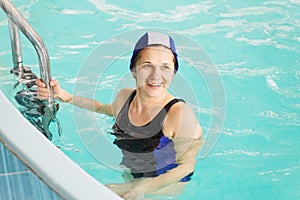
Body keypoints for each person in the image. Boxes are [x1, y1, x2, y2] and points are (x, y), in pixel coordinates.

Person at [37, 32, 203, 199]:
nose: (156, 75)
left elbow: (186, 166)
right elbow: (103, 108)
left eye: (165, 67)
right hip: (134, 178)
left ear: (173, 73)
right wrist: (65, 97)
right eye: (147, 65)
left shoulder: (179, 114)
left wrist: (140, 188)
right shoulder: (125, 98)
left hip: (164, 188)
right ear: (133, 70)